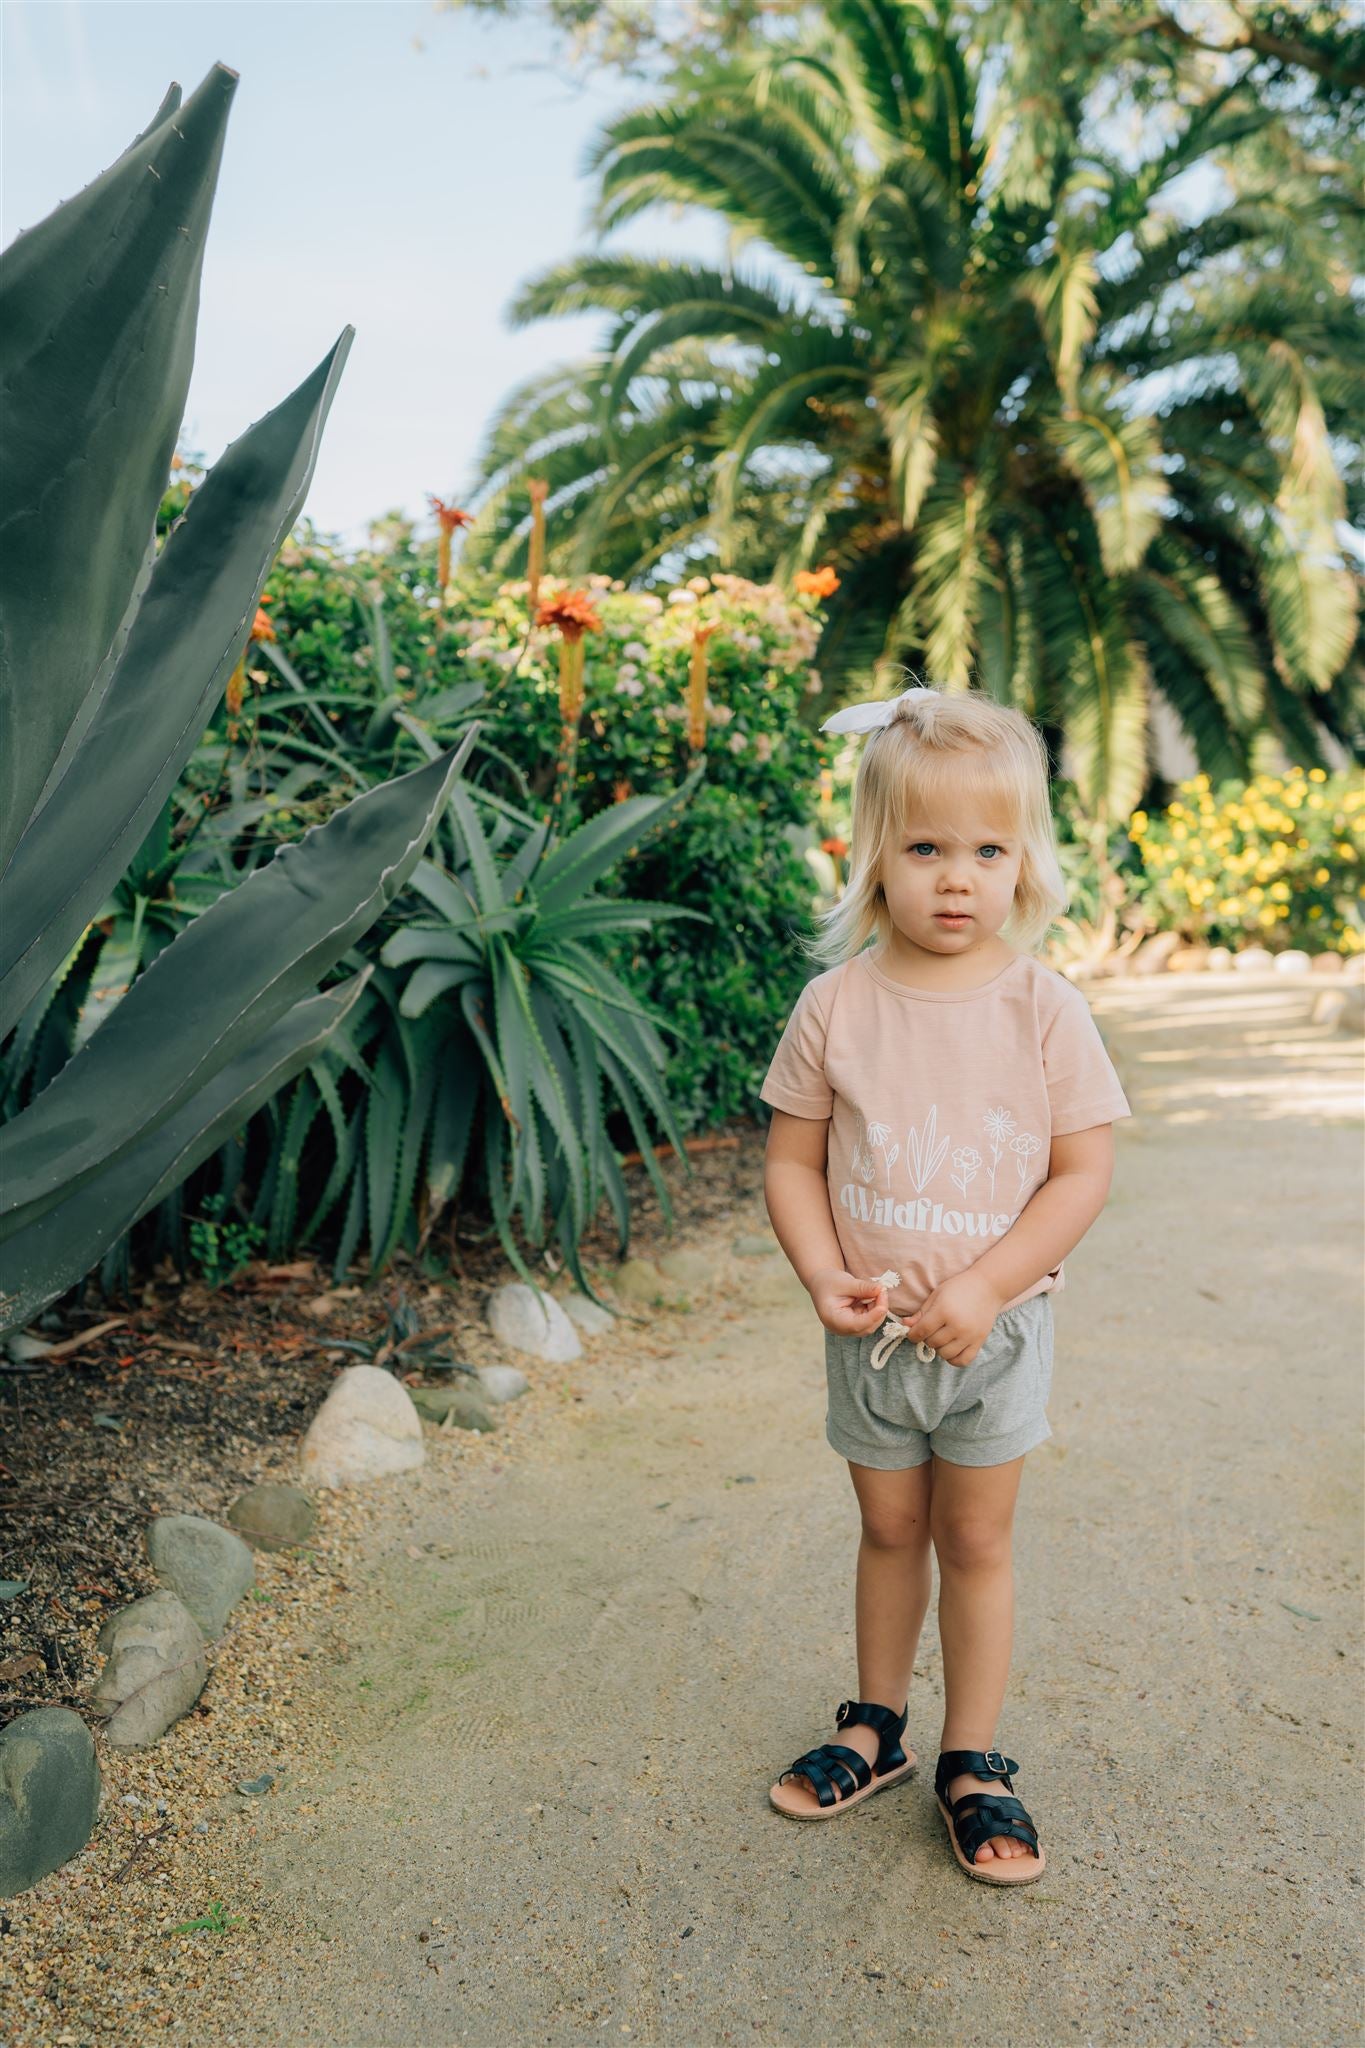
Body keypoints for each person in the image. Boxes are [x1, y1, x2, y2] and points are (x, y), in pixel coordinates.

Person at [759, 681, 1132, 1885]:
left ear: (1024, 860)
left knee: (974, 1537)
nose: (956, 876)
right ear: (874, 855)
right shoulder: (837, 1007)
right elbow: (792, 1158)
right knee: (887, 1526)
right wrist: (824, 1271)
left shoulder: (1041, 1007)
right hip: (873, 1338)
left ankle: (975, 1755)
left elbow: (1081, 1170)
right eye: (925, 847)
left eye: (987, 848)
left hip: (999, 1335)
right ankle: (874, 1726)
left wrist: (989, 1282)